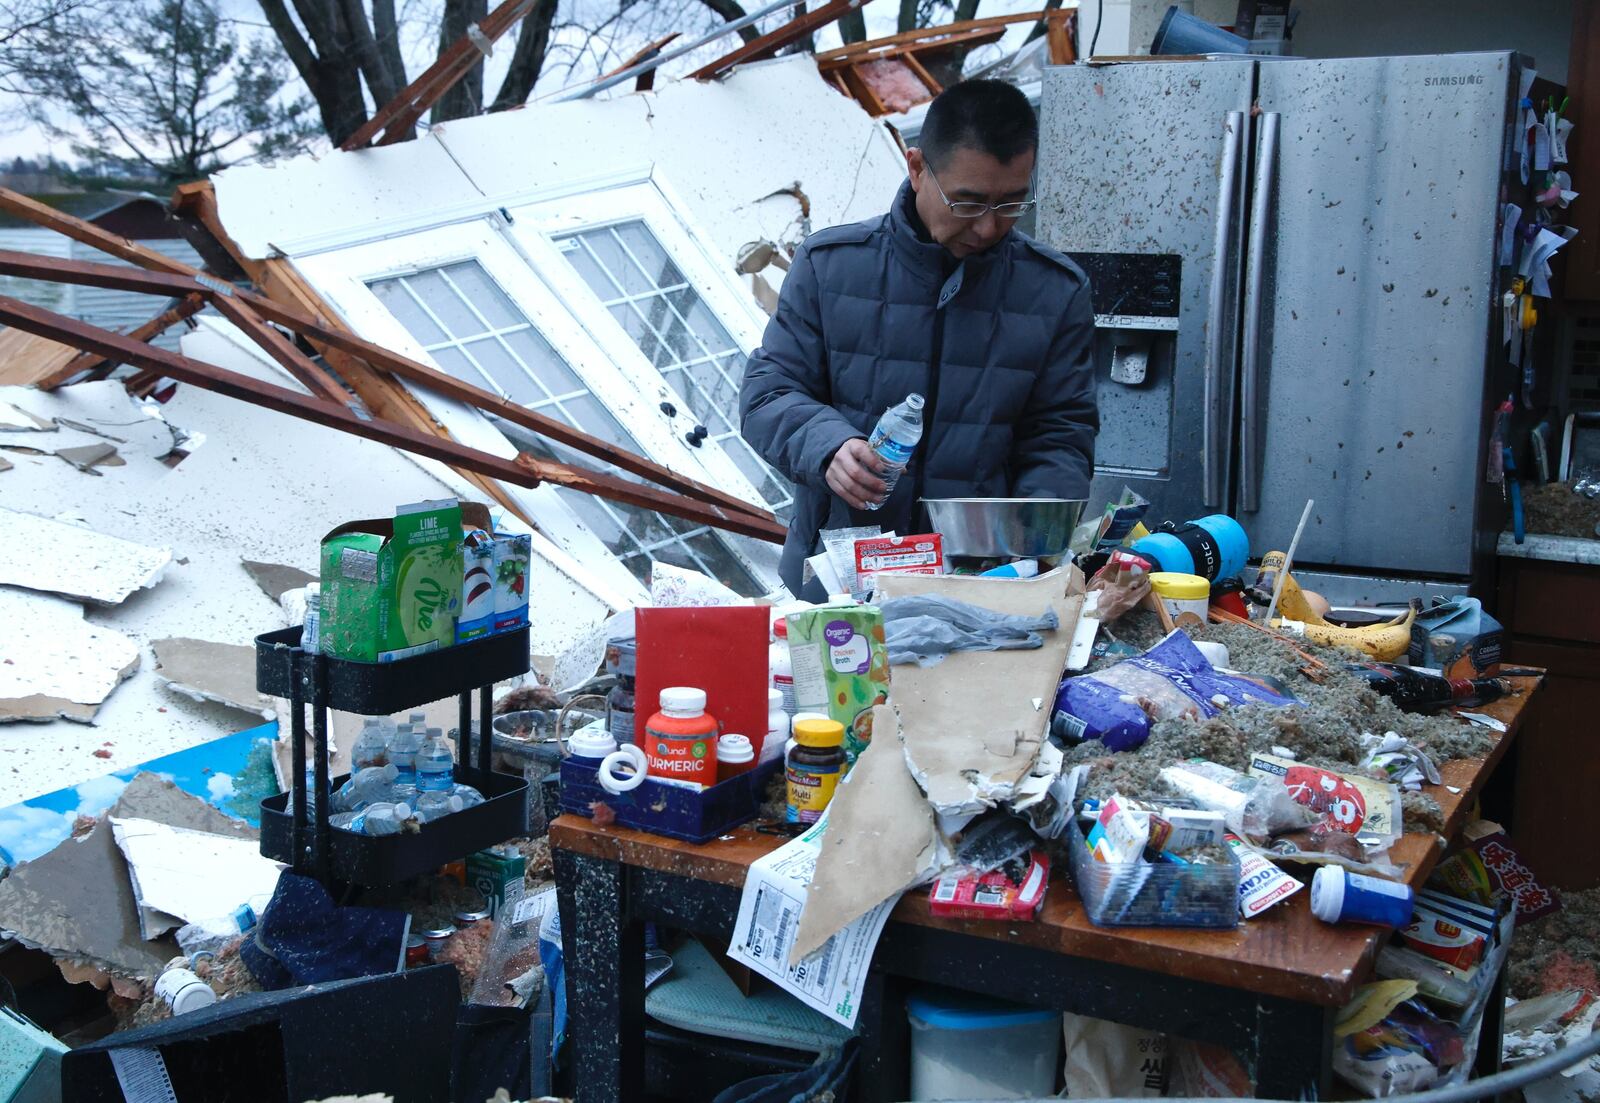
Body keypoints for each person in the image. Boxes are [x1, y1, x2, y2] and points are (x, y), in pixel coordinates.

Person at [740, 79, 1098, 598]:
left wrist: (1032, 543)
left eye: (1013, 203)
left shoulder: (1055, 291)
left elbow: (1062, 435)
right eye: (970, 203)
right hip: (837, 586)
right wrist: (829, 447)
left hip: (982, 585)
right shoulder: (830, 267)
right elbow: (767, 394)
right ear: (916, 167)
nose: (989, 227)